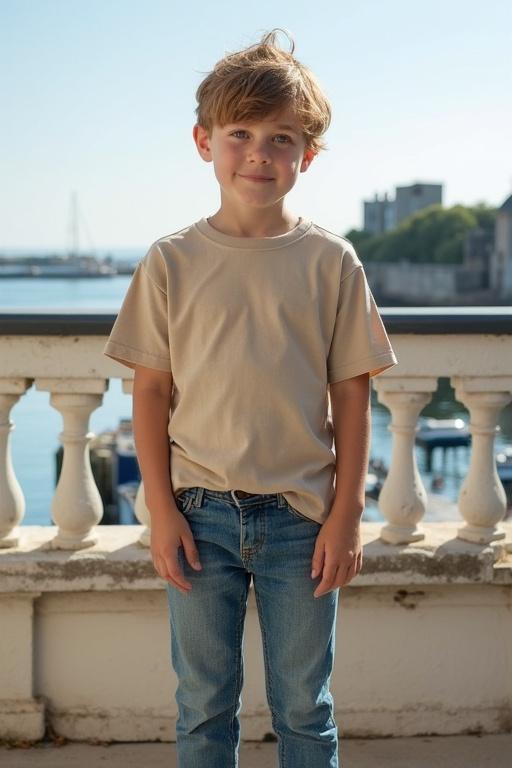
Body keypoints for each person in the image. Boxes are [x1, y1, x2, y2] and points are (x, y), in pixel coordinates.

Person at [103, 27, 398, 768]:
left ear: (308, 154)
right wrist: (160, 508)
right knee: (204, 707)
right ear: (204, 142)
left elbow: (352, 397)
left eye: (281, 137)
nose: (259, 154)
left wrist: (349, 515)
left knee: (307, 708)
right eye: (240, 134)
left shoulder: (333, 262)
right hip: (199, 515)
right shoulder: (170, 261)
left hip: (304, 520)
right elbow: (151, 394)